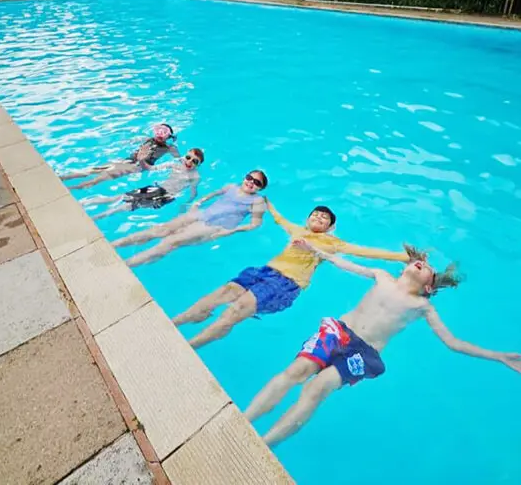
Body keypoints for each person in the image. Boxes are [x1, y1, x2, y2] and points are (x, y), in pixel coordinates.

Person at [245, 243, 521, 447]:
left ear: (429, 287)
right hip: (338, 331)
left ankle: (266, 442)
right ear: (405, 267)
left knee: (317, 389)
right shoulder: (381, 276)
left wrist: (498, 356)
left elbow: (453, 342)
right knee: (297, 371)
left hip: (364, 354)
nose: (423, 265)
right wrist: (317, 250)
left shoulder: (421, 306)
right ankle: (246, 420)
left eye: (429, 271)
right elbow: (345, 264)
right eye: (422, 263)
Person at [174, 199, 409, 348]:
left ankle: (188, 346)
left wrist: (405, 257)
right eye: (315, 214)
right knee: (221, 293)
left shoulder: (332, 242)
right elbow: (280, 220)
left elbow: (366, 252)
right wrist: (269, 204)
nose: (318, 217)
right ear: (308, 219)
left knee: (235, 310)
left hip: (285, 285)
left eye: (324, 217)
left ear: (330, 226)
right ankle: (176, 322)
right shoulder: (296, 230)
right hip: (263, 272)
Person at [113, 170, 268, 267]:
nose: (251, 182)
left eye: (257, 182)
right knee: (161, 229)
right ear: (244, 177)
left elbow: (255, 224)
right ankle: (115, 245)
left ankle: (127, 265)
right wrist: (198, 202)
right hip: (202, 213)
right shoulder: (231, 187)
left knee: (171, 241)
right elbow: (214, 194)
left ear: (260, 188)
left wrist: (230, 231)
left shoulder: (257, 201)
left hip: (214, 226)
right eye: (250, 177)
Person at [82, 148, 204, 220]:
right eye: (188, 157)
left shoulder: (195, 176)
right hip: (156, 188)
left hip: (166, 197)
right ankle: (85, 203)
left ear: (198, 165)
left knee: (130, 206)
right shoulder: (174, 164)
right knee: (122, 196)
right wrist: (141, 160)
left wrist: (186, 204)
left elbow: (193, 192)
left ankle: (98, 217)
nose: (189, 162)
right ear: (184, 156)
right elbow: (151, 168)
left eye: (195, 161)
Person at [60, 123, 180, 190]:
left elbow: (178, 160)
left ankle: (71, 188)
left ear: (168, 137)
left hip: (138, 166)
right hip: (128, 160)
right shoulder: (146, 139)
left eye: (164, 132)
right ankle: (63, 178)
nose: (160, 134)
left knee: (104, 176)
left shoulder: (169, 148)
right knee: (97, 169)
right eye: (159, 130)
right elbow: (130, 141)